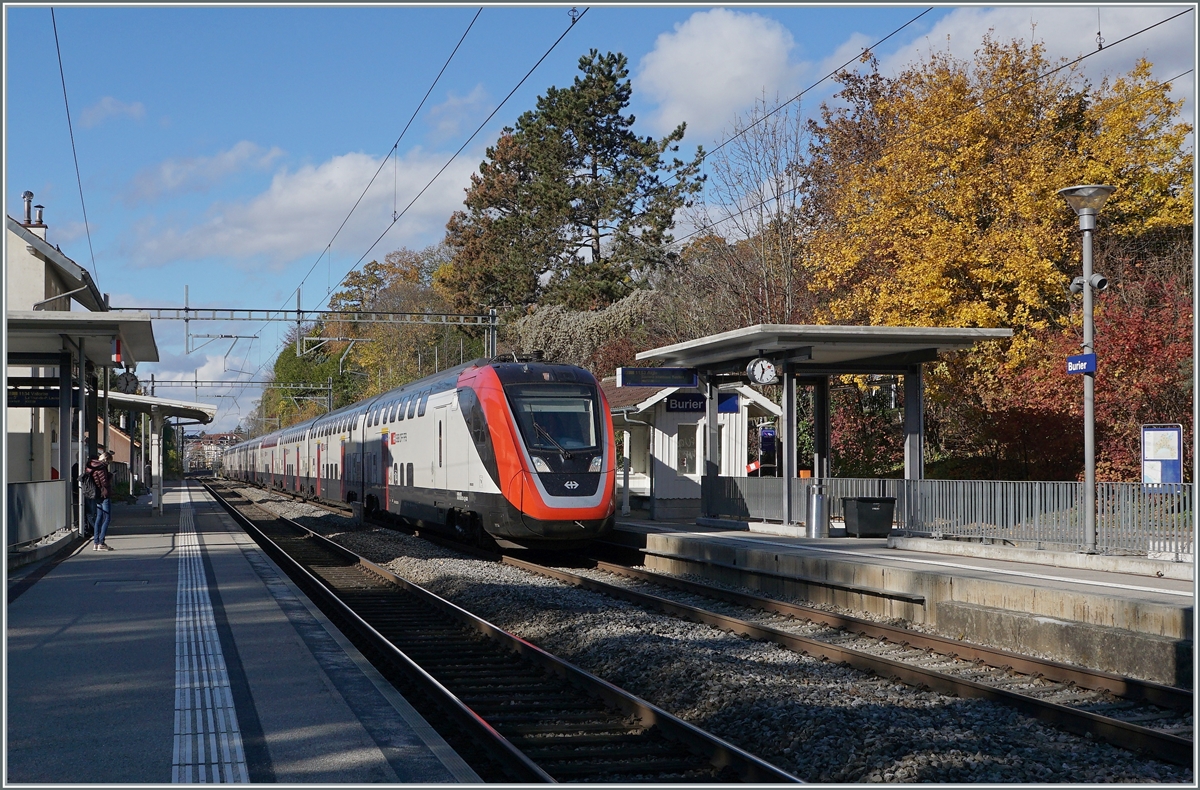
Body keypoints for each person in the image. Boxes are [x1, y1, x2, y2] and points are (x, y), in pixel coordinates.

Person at [86, 450, 115, 551]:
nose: (108, 464)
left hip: (97, 494)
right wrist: (110, 476)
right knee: (107, 518)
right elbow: (104, 483)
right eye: (109, 462)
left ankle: (95, 542)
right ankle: (101, 542)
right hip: (104, 494)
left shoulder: (92, 466)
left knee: (99, 518)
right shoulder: (101, 467)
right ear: (106, 459)